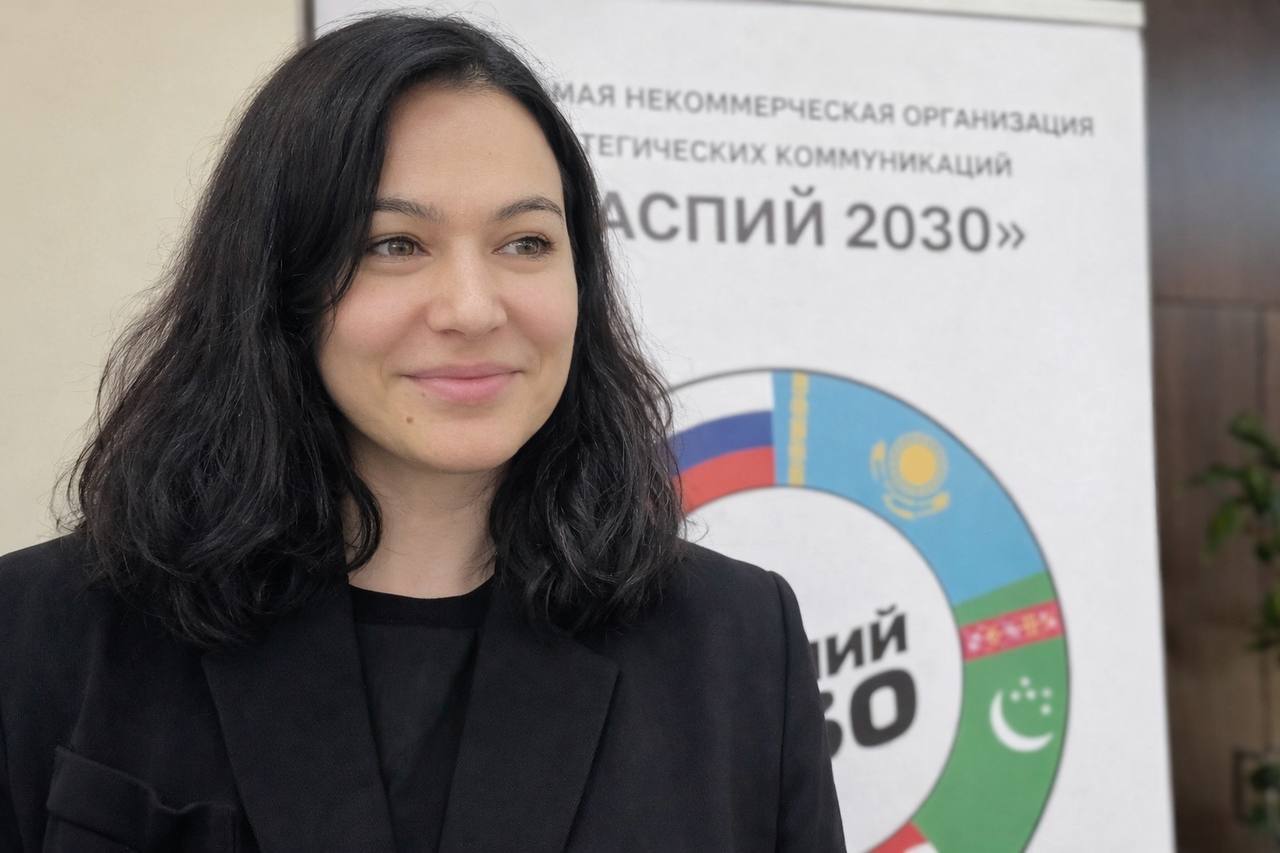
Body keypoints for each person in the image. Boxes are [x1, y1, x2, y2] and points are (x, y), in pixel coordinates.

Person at [0, 12, 845, 852]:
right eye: (396, 244)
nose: (473, 309)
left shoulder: (738, 643)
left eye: (526, 242)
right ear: (277, 280)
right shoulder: (41, 629)